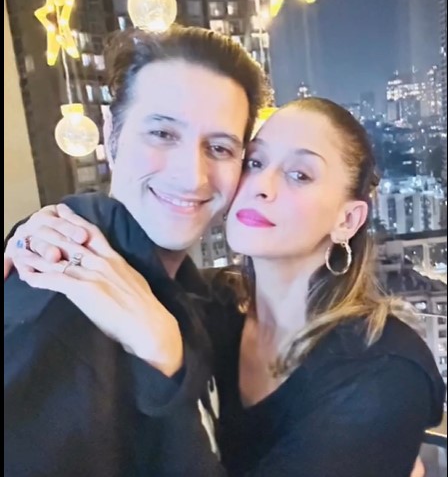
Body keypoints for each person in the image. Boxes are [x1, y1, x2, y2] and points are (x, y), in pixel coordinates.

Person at [6, 97, 443, 476]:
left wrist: (164, 360)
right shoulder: (210, 304)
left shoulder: (384, 374)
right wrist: (38, 234)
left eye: (300, 175)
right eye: (254, 163)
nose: (262, 187)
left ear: (347, 219)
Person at [4, 25, 269, 477]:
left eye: (219, 147)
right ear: (112, 135)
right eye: (162, 133)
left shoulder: (189, 299)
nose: (192, 176)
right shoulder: (58, 301)